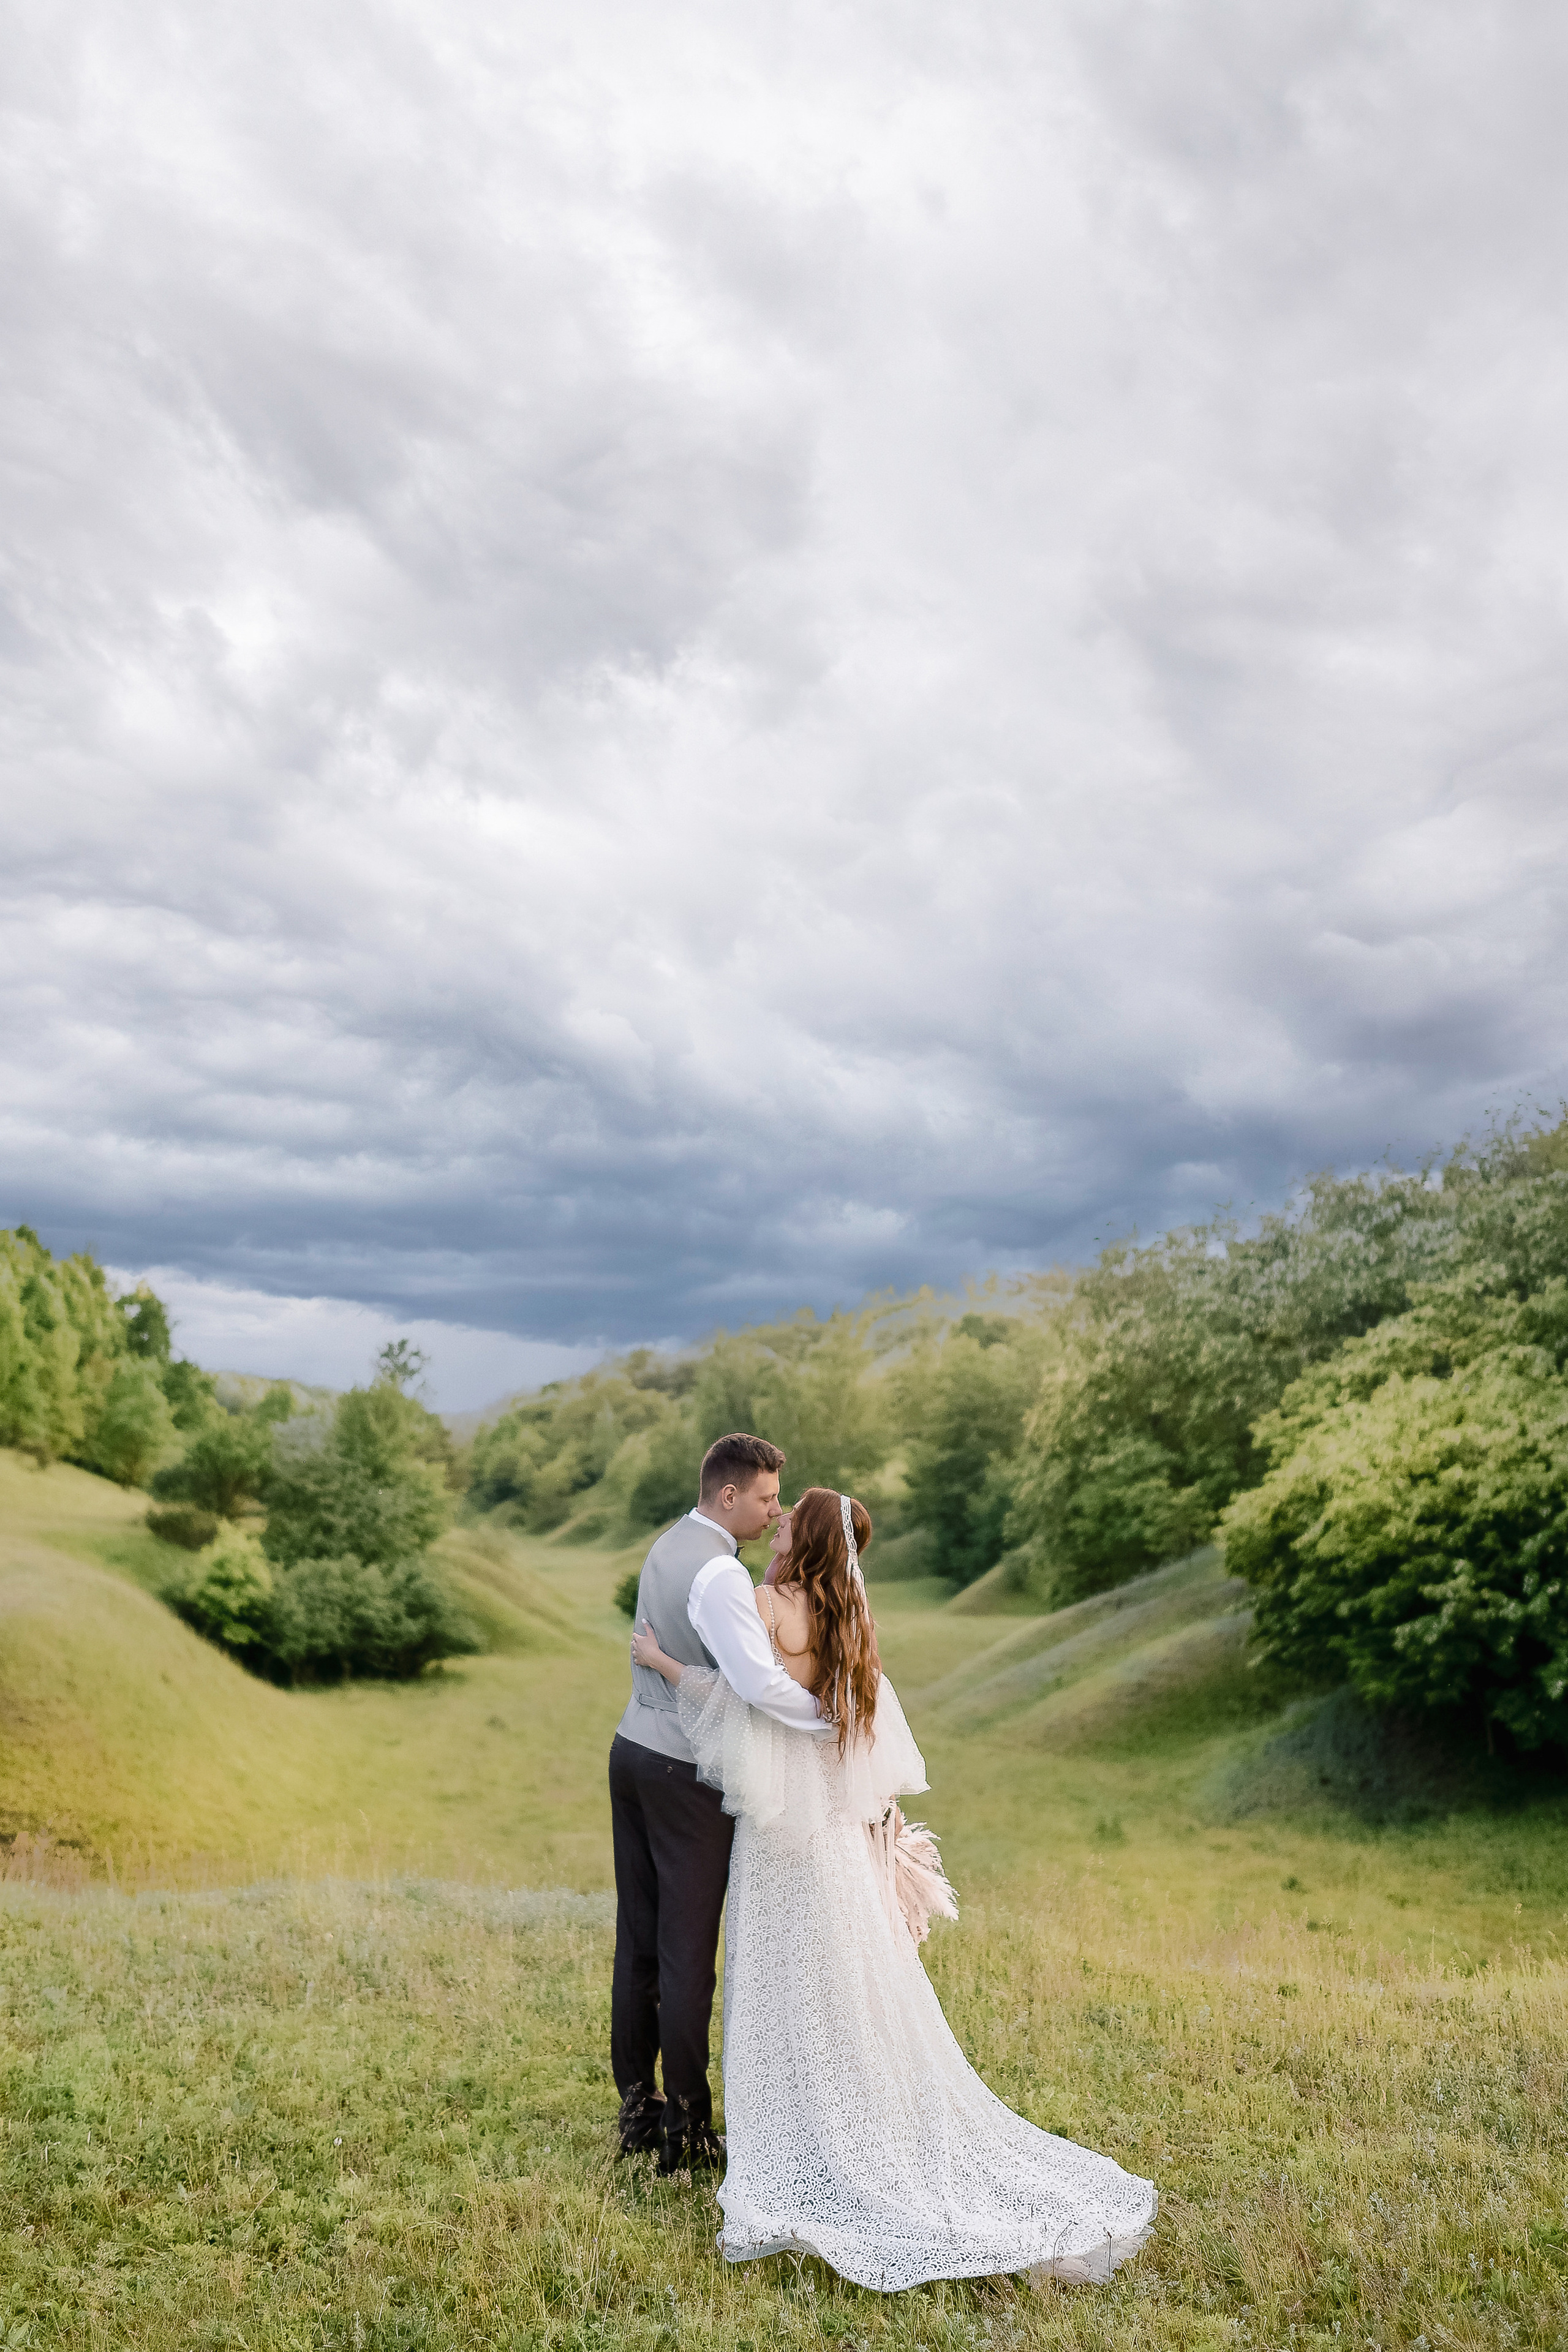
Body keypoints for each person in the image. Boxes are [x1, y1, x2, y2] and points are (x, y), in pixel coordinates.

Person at [631, 1486, 1158, 2293]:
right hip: (840, 1834)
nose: (773, 1524)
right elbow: (858, 1730)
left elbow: (741, 1707)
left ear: (800, 1537)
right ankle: (852, 2116)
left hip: (782, 1837)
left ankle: (805, 2141)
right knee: (849, 1979)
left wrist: (665, 1664)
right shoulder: (850, 1623)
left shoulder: (767, 1605)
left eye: (784, 1516)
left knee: (786, 1982)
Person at [609, 1431, 829, 2174]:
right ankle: (688, 2129)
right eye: (766, 1498)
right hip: (683, 1774)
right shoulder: (722, 1577)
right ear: (728, 1495)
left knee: (637, 1939)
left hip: (631, 1752)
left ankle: (636, 2109)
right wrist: (834, 1720)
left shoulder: (669, 1542)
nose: (774, 1513)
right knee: (685, 1955)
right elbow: (757, 1686)